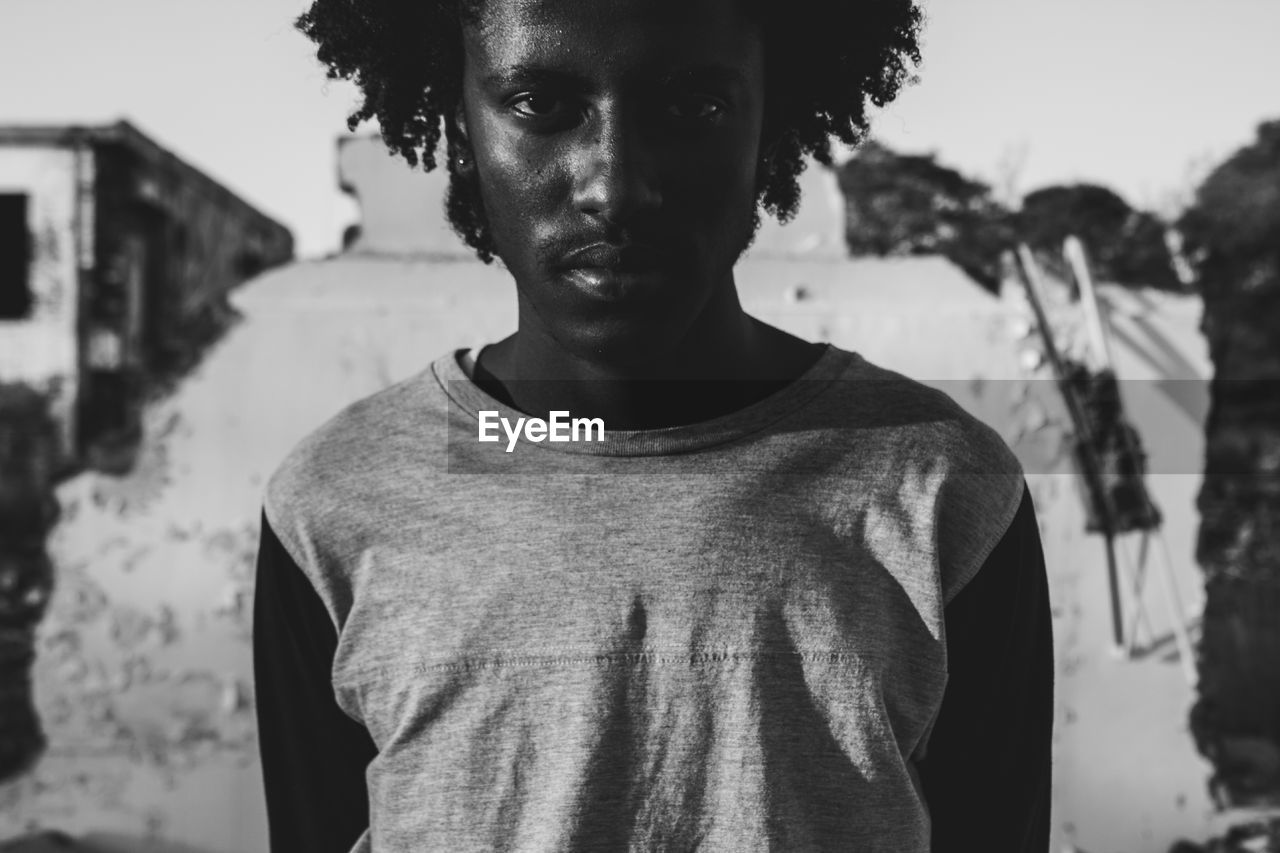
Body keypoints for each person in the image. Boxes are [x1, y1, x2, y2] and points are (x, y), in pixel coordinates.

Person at [253, 0, 1055, 850]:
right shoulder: (335, 504)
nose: (616, 185)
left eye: (693, 105)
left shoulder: (943, 491)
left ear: (769, 123)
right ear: (460, 127)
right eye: (539, 105)